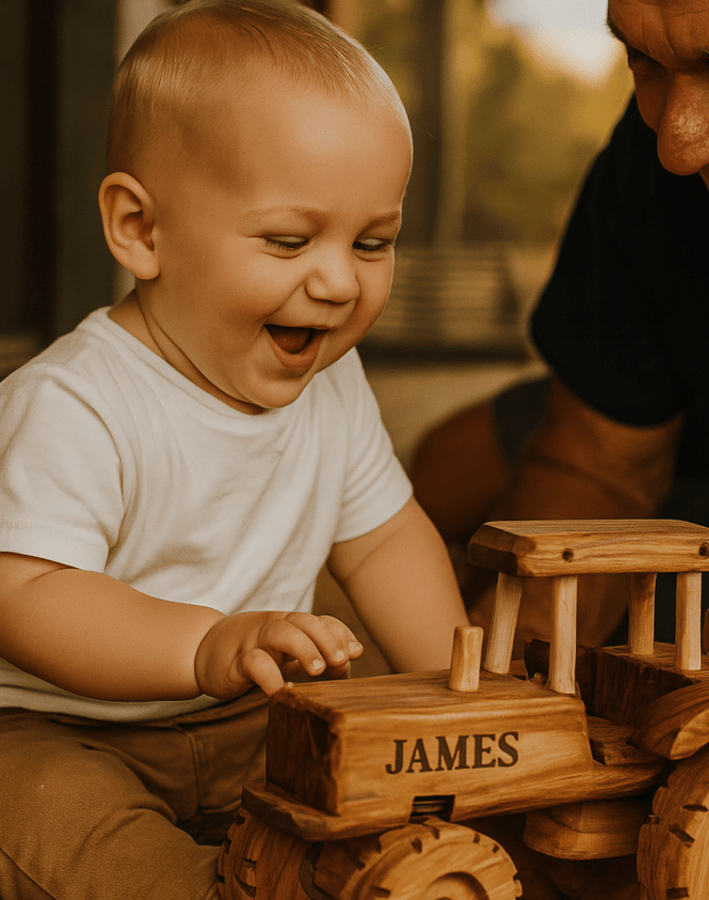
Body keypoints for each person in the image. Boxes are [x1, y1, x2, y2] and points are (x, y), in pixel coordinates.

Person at [0, 2, 469, 898]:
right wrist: (203, 644)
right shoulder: (75, 402)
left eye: (373, 243)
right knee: (55, 817)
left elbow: (383, 538)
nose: (339, 281)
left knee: (382, 772)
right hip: (61, 730)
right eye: (289, 241)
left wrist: (459, 684)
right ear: (141, 230)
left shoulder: (332, 384)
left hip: (254, 719)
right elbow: (26, 595)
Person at [412, 0, 709, 672]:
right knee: (445, 471)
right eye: (643, 60)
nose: (678, 146)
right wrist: (519, 683)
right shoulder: (658, 150)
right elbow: (601, 464)